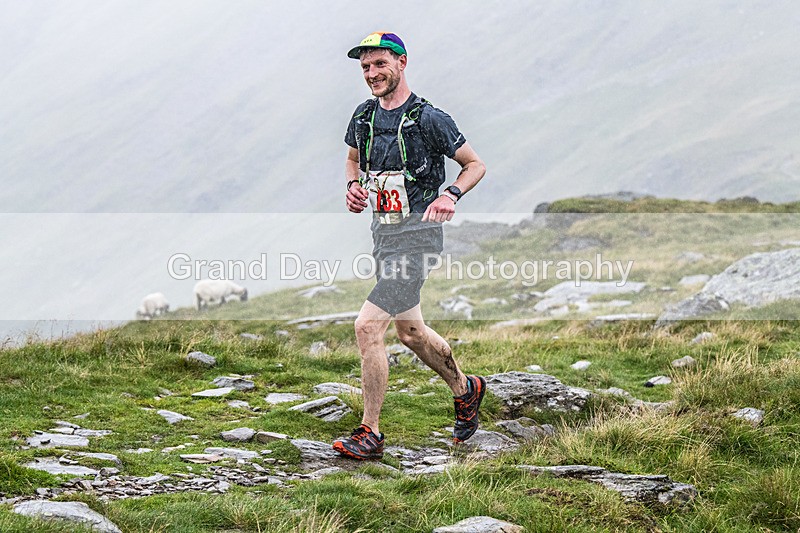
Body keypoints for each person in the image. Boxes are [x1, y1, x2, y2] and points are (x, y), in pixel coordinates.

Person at [332, 31, 488, 460]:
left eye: (380, 64)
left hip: (417, 240)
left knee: (367, 326)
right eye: (365, 67)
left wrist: (449, 194)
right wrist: (352, 188)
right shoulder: (363, 117)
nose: (372, 74)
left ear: (401, 63)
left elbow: (474, 164)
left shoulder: (428, 118)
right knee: (411, 333)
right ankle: (466, 388)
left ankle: (370, 432)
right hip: (384, 235)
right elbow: (352, 160)